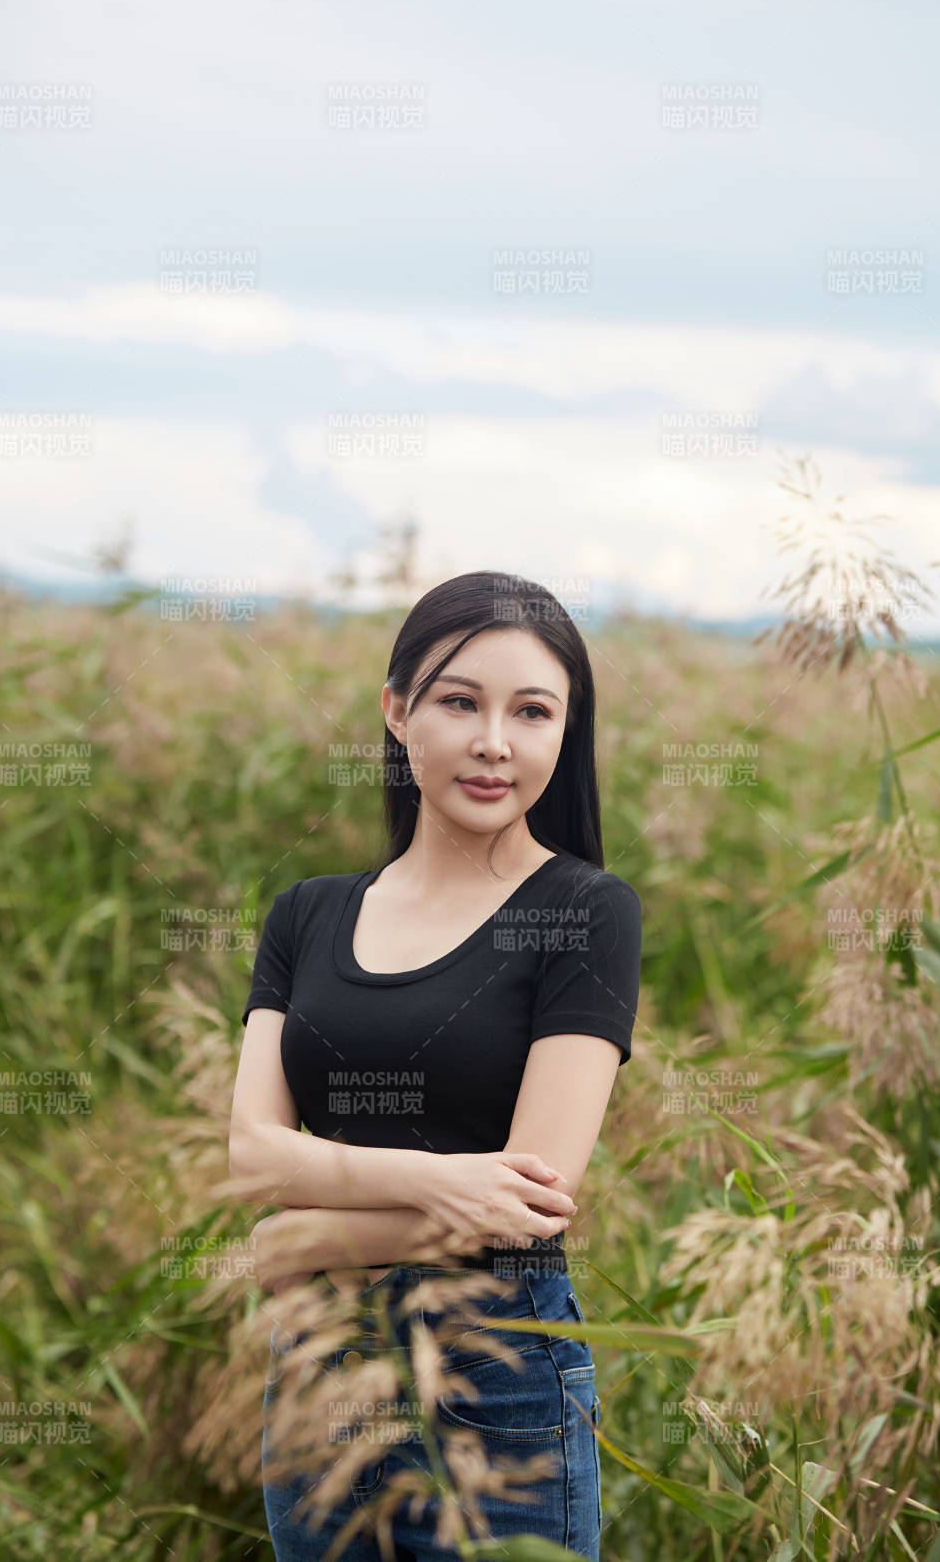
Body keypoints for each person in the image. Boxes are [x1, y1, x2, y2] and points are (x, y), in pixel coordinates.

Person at [229, 570, 643, 1560]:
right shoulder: (308, 914)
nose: (493, 741)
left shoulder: (583, 911)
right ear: (397, 711)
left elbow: (533, 1201)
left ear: (562, 735)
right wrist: (445, 1180)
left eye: (531, 712)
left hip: (498, 1371)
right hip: (321, 1371)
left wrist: (300, 1236)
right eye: (460, 702)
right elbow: (249, 1155)